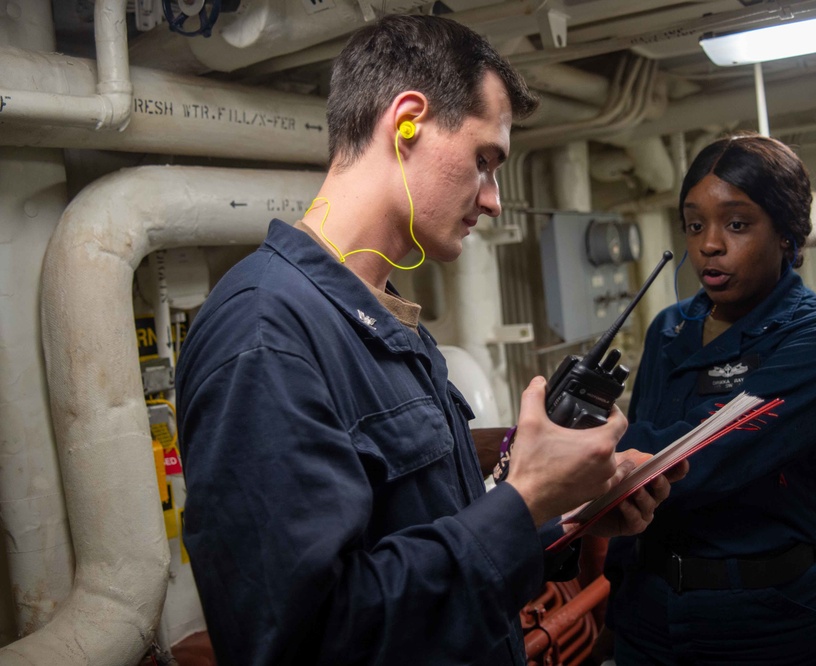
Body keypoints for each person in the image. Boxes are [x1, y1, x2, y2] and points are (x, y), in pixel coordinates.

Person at [175, 14, 685, 666]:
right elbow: (304, 638)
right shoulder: (267, 333)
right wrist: (523, 498)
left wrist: (568, 513)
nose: (495, 199)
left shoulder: (384, 325)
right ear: (407, 120)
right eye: (484, 161)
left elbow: (434, 539)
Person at [602, 133, 816, 666]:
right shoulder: (671, 328)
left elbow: (692, 460)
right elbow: (637, 474)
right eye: (695, 224)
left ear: (788, 234)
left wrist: (587, 451)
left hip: (766, 621)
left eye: (738, 224)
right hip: (651, 614)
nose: (709, 245)